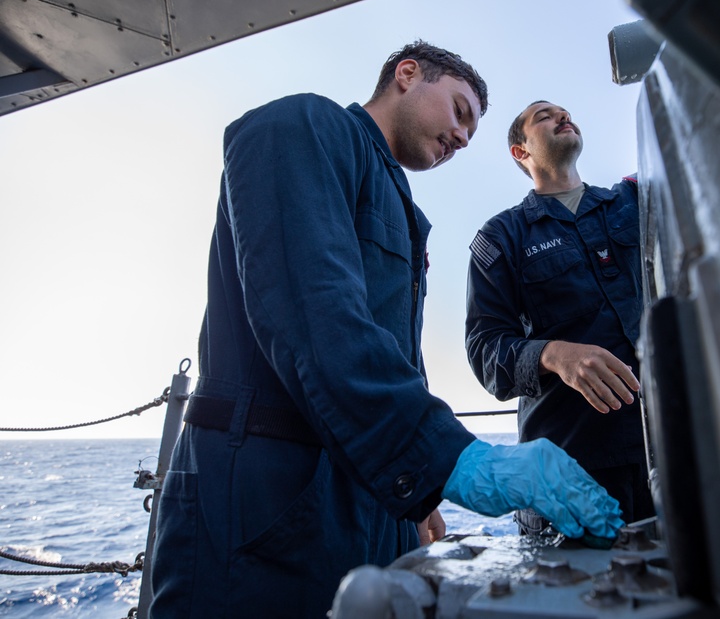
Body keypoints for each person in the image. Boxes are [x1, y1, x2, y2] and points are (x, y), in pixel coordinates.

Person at [148, 46, 623, 617]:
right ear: (407, 75)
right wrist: (448, 461)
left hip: (368, 497)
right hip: (264, 495)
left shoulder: (401, 207)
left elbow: (394, 359)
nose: (465, 137)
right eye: (459, 110)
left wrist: (415, 497)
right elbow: (316, 318)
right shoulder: (300, 126)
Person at [465, 100, 655, 536]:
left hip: (671, 450)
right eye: (544, 116)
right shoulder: (502, 236)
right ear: (520, 151)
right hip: (569, 469)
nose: (562, 116)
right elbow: (484, 351)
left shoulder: (636, 201)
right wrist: (552, 354)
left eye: (565, 112)